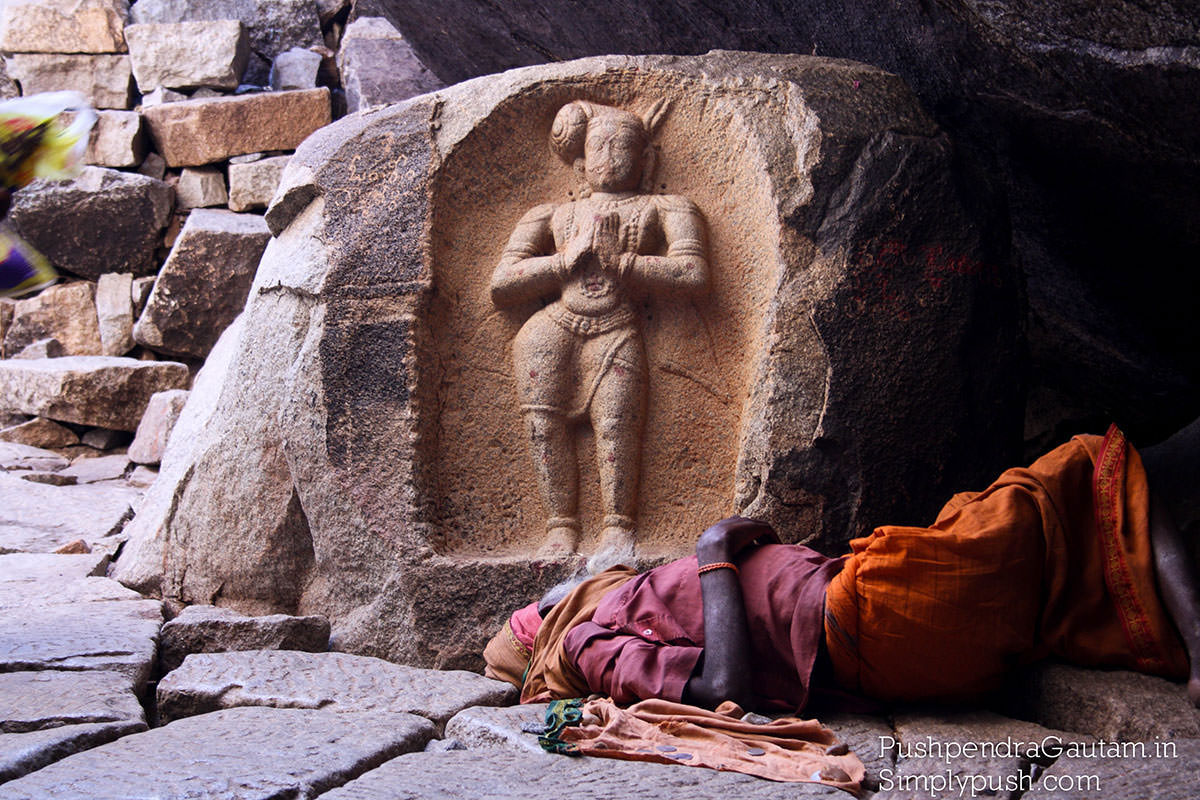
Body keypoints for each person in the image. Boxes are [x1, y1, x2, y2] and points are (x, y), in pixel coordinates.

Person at [484, 420, 1200, 712]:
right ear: (542, 623)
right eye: (552, 596)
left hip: (874, 602)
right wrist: (713, 557)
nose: (570, 585)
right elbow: (723, 684)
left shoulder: (609, 614)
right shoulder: (584, 642)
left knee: (1058, 556)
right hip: (873, 616)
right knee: (1086, 463)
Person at [490, 99, 709, 570]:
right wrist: (564, 260)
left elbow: (693, 273)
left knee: (617, 428)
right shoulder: (550, 216)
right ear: (581, 162)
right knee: (543, 427)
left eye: (623, 145)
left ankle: (618, 527)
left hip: (617, 329)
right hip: (552, 331)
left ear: (647, 160)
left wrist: (622, 262)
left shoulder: (665, 207)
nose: (610, 155)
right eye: (599, 146)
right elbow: (502, 285)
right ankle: (560, 525)